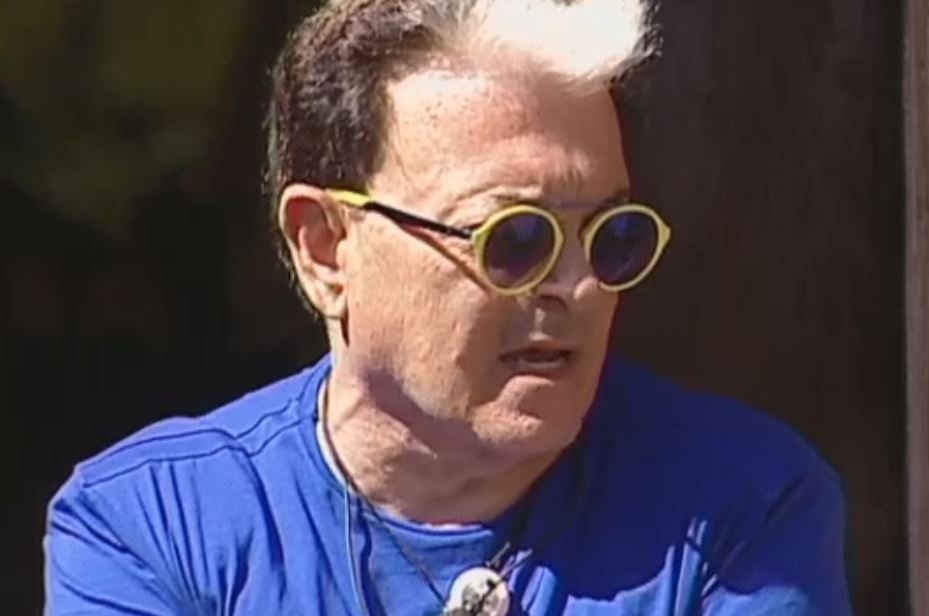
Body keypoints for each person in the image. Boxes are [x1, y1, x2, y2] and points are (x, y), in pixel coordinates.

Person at [43, 0, 852, 613]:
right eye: (515, 238)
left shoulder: (740, 505)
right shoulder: (152, 523)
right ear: (326, 247)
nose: (577, 286)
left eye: (611, 237)